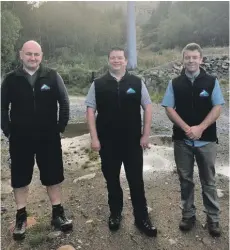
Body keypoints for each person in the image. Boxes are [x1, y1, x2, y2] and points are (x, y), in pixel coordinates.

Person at [1, 40, 73, 240]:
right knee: (20, 178)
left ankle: (57, 214)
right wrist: (8, 131)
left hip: (48, 138)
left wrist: (60, 127)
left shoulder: (52, 76)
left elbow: (64, 102)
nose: (33, 58)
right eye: (29, 54)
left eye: (36, 54)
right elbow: (2, 107)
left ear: (41, 56)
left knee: (53, 176)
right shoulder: (10, 79)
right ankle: (21, 217)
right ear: (21, 55)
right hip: (20, 139)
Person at [85, 47, 157, 237]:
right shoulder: (98, 84)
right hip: (107, 143)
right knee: (112, 181)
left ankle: (142, 218)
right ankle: (115, 214)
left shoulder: (137, 82)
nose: (116, 60)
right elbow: (90, 111)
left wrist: (145, 134)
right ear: (109, 60)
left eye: (120, 58)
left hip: (132, 142)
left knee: (136, 181)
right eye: (113, 58)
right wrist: (94, 138)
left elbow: (148, 107)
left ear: (126, 61)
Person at [161, 43, 225, 237]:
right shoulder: (174, 83)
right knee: (185, 180)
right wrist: (187, 129)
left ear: (201, 59)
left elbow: (218, 107)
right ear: (183, 60)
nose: (191, 61)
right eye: (187, 57)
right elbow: (169, 108)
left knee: (209, 181)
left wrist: (200, 128)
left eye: (194, 57)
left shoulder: (211, 81)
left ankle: (213, 219)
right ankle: (188, 215)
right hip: (182, 141)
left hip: (206, 141)